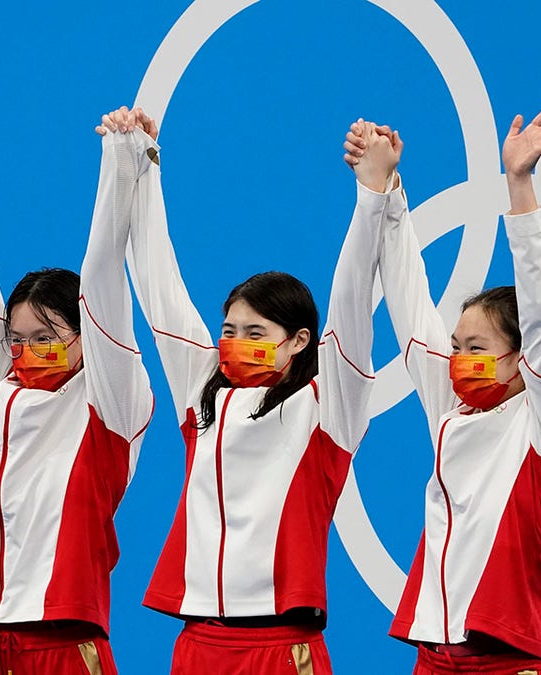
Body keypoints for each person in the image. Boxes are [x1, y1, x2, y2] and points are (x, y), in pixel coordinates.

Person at [120, 106, 394, 673]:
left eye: (255, 332)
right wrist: (143, 165)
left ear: (298, 341)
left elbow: (351, 306)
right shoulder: (202, 394)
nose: (235, 341)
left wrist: (373, 195)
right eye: (228, 330)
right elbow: (157, 284)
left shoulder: (327, 407)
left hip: (280, 648)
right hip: (196, 646)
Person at [343, 102, 541, 674]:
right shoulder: (451, 407)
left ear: (522, 359)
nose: (456, 361)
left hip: (509, 661)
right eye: (455, 346)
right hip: (433, 658)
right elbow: (408, 300)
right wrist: (385, 190)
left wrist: (520, 185)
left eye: (475, 349)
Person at [0, 94, 154, 674]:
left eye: (45, 336)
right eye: (15, 338)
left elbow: (102, 280)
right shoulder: (1, 386)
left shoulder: (113, 401)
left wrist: (121, 167)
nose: (23, 352)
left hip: (63, 644)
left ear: (85, 335)